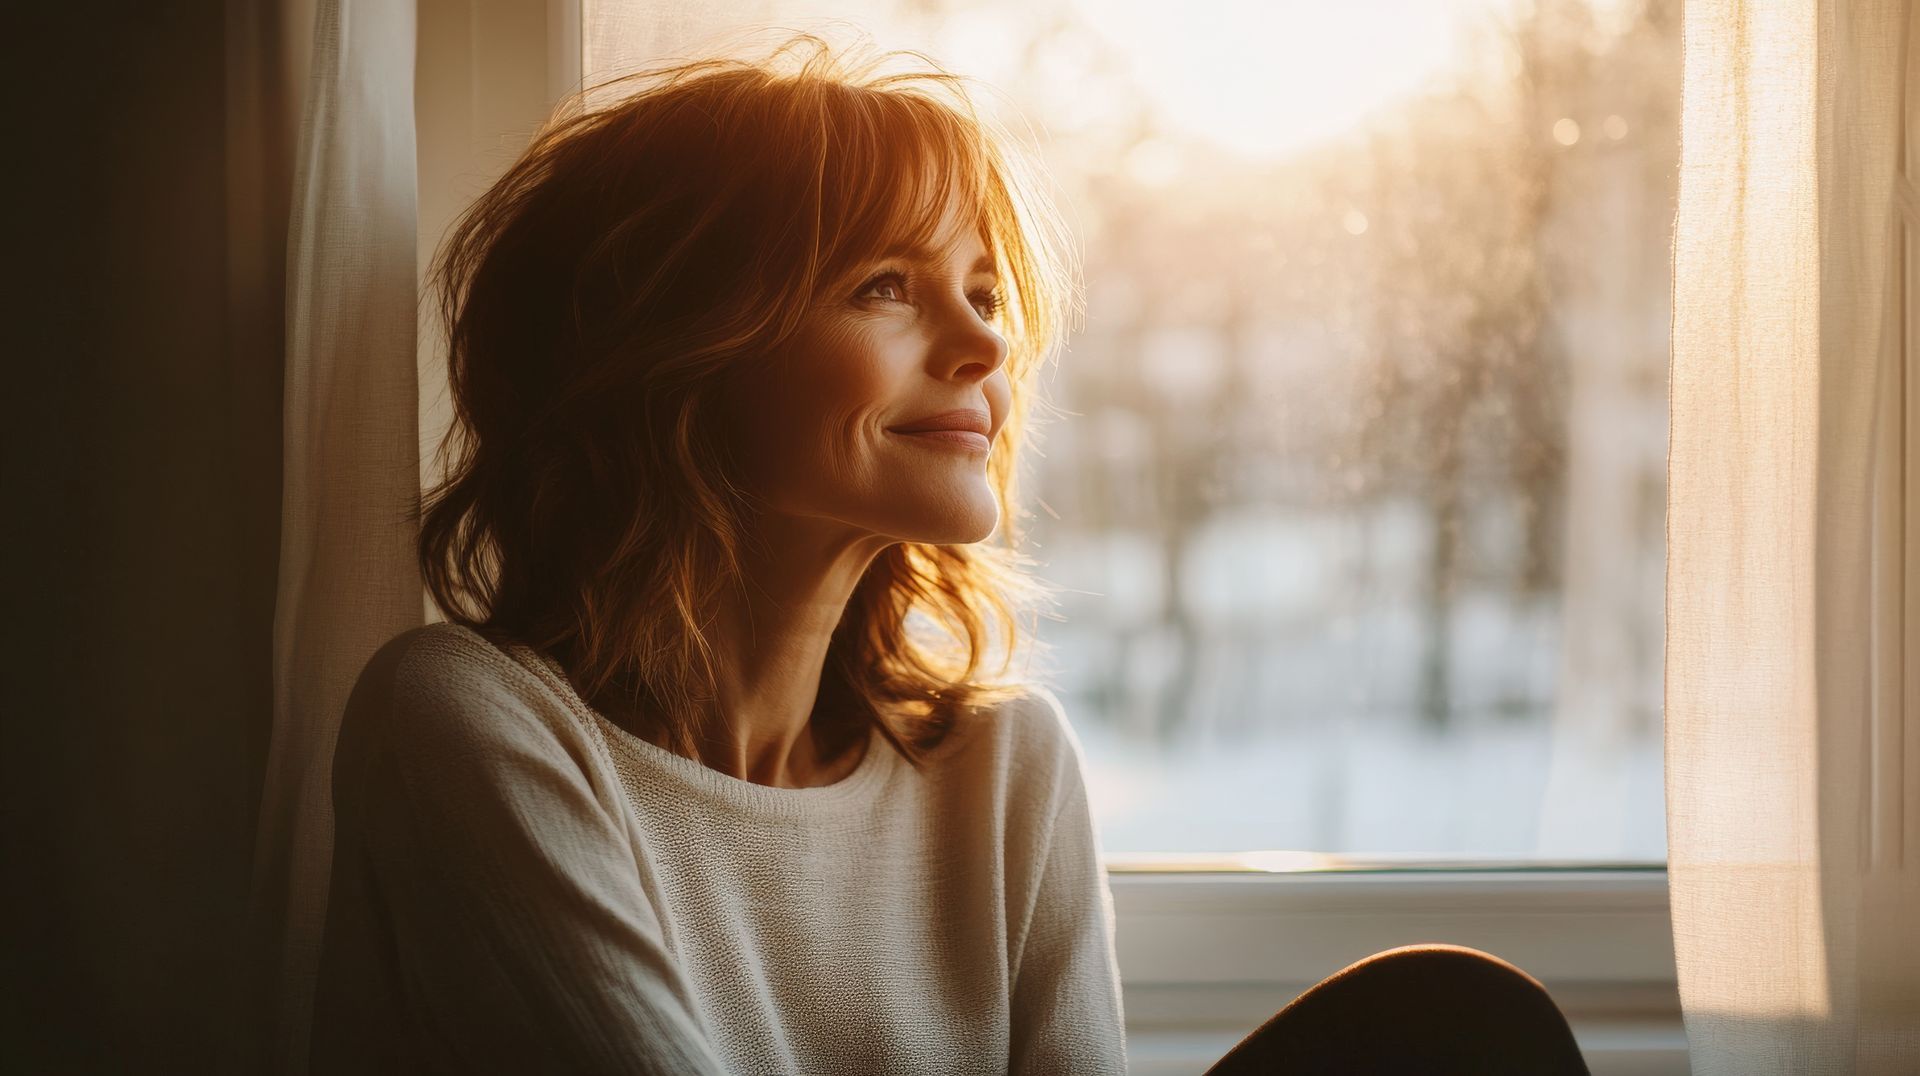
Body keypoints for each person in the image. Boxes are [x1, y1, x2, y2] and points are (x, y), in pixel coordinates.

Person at [307, 34, 1589, 1076]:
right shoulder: (469, 724)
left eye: (984, 291)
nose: (984, 348)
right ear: (675, 349)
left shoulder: (1000, 767)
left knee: (1457, 1028)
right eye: (885, 284)